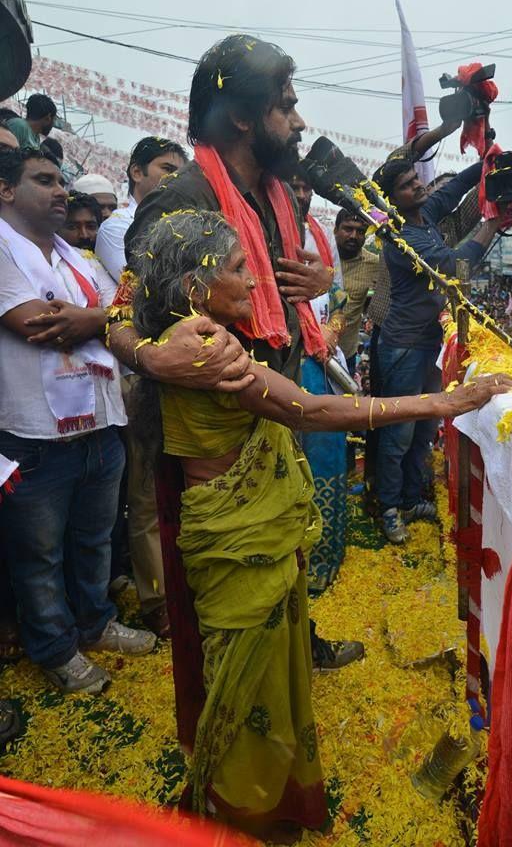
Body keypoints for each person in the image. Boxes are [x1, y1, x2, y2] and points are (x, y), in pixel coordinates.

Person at [131, 207, 512, 839]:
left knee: (265, 677)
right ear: (195, 287)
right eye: (237, 269)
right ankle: (239, 808)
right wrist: (449, 401)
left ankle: (260, 797)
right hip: (239, 542)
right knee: (244, 688)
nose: (254, 282)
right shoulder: (202, 348)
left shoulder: (177, 336)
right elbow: (309, 410)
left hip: (251, 533)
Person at [108, 34, 362, 670]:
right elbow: (120, 309)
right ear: (245, 117)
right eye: (287, 106)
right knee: (223, 612)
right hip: (208, 442)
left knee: (285, 553)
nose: (300, 123)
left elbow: (281, 288)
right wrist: (147, 355)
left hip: (274, 410)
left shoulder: (277, 198)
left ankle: (294, 653)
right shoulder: (181, 199)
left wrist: (321, 283)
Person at [0, 148, 155, 695]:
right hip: (33, 435)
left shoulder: (80, 259)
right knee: (38, 556)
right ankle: (56, 649)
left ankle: (94, 623)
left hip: (100, 421)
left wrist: (89, 318)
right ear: (5, 191)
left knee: (94, 539)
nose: (61, 190)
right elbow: (37, 325)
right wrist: (101, 321)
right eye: (44, 180)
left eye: (61, 180)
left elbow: (129, 316)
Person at [370, 156, 501, 543]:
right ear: (392, 201)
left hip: (426, 343)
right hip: (403, 348)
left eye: (415, 178)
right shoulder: (400, 237)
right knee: (399, 435)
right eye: (408, 185)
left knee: (425, 427)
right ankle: (389, 507)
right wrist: (491, 223)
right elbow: (456, 267)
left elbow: (455, 187)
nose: (418, 186)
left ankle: (411, 499)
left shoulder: (424, 214)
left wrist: (486, 161)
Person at [95, 137, 188, 638]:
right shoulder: (119, 227)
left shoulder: (178, 222)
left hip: (182, 375)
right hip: (141, 377)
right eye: (164, 168)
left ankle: (179, 585)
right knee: (147, 495)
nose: (173, 178)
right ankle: (156, 598)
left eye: (181, 170)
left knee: (181, 487)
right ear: (135, 171)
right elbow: (154, 290)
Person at [291, 170, 348, 592]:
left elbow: (341, 297)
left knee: (327, 456)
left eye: (306, 186)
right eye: (292, 185)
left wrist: (332, 331)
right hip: (283, 362)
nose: (302, 193)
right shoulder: (256, 227)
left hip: (324, 362)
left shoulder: (318, 232)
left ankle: (326, 553)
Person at [96, 137, 188, 281]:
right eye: (168, 169)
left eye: (181, 174)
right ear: (137, 172)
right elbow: (137, 286)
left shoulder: (181, 226)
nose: (176, 178)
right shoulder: (117, 226)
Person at [333, 210, 378, 375]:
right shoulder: (319, 254)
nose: (353, 236)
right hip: (312, 349)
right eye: (348, 229)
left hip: (346, 354)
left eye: (360, 231)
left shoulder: (374, 264)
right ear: (335, 229)